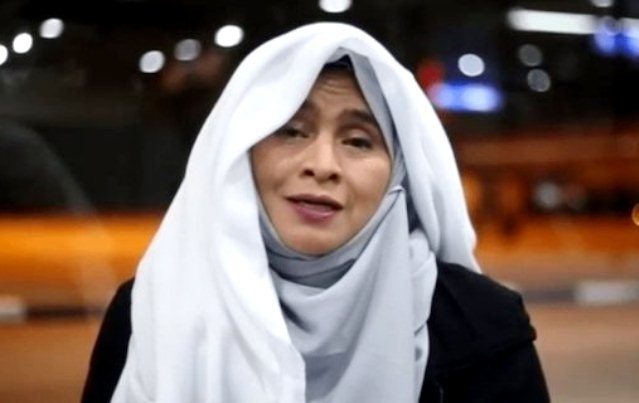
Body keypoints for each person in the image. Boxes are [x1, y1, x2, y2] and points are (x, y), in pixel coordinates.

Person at [82, 23, 550, 402]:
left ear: (399, 171)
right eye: (292, 131)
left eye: (358, 141)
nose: (322, 165)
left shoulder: (481, 327)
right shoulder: (153, 310)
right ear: (241, 152)